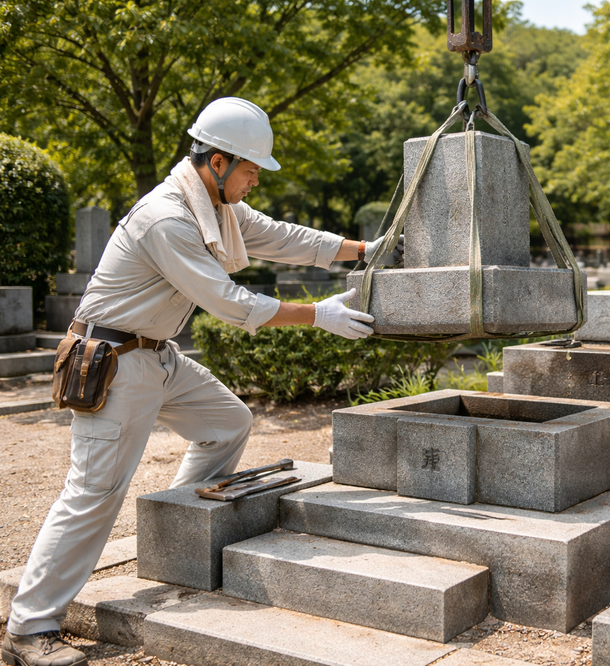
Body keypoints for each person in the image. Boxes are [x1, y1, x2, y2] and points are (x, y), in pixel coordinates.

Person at [1, 97, 403, 666]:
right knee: (92, 493)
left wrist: (364, 250)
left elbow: (285, 237)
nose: (255, 180)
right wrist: (319, 315)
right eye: (250, 168)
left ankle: (176, 528)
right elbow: (227, 301)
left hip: (154, 355)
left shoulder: (217, 208)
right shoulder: (168, 217)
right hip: (113, 361)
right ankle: (29, 627)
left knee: (227, 423)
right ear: (217, 161)